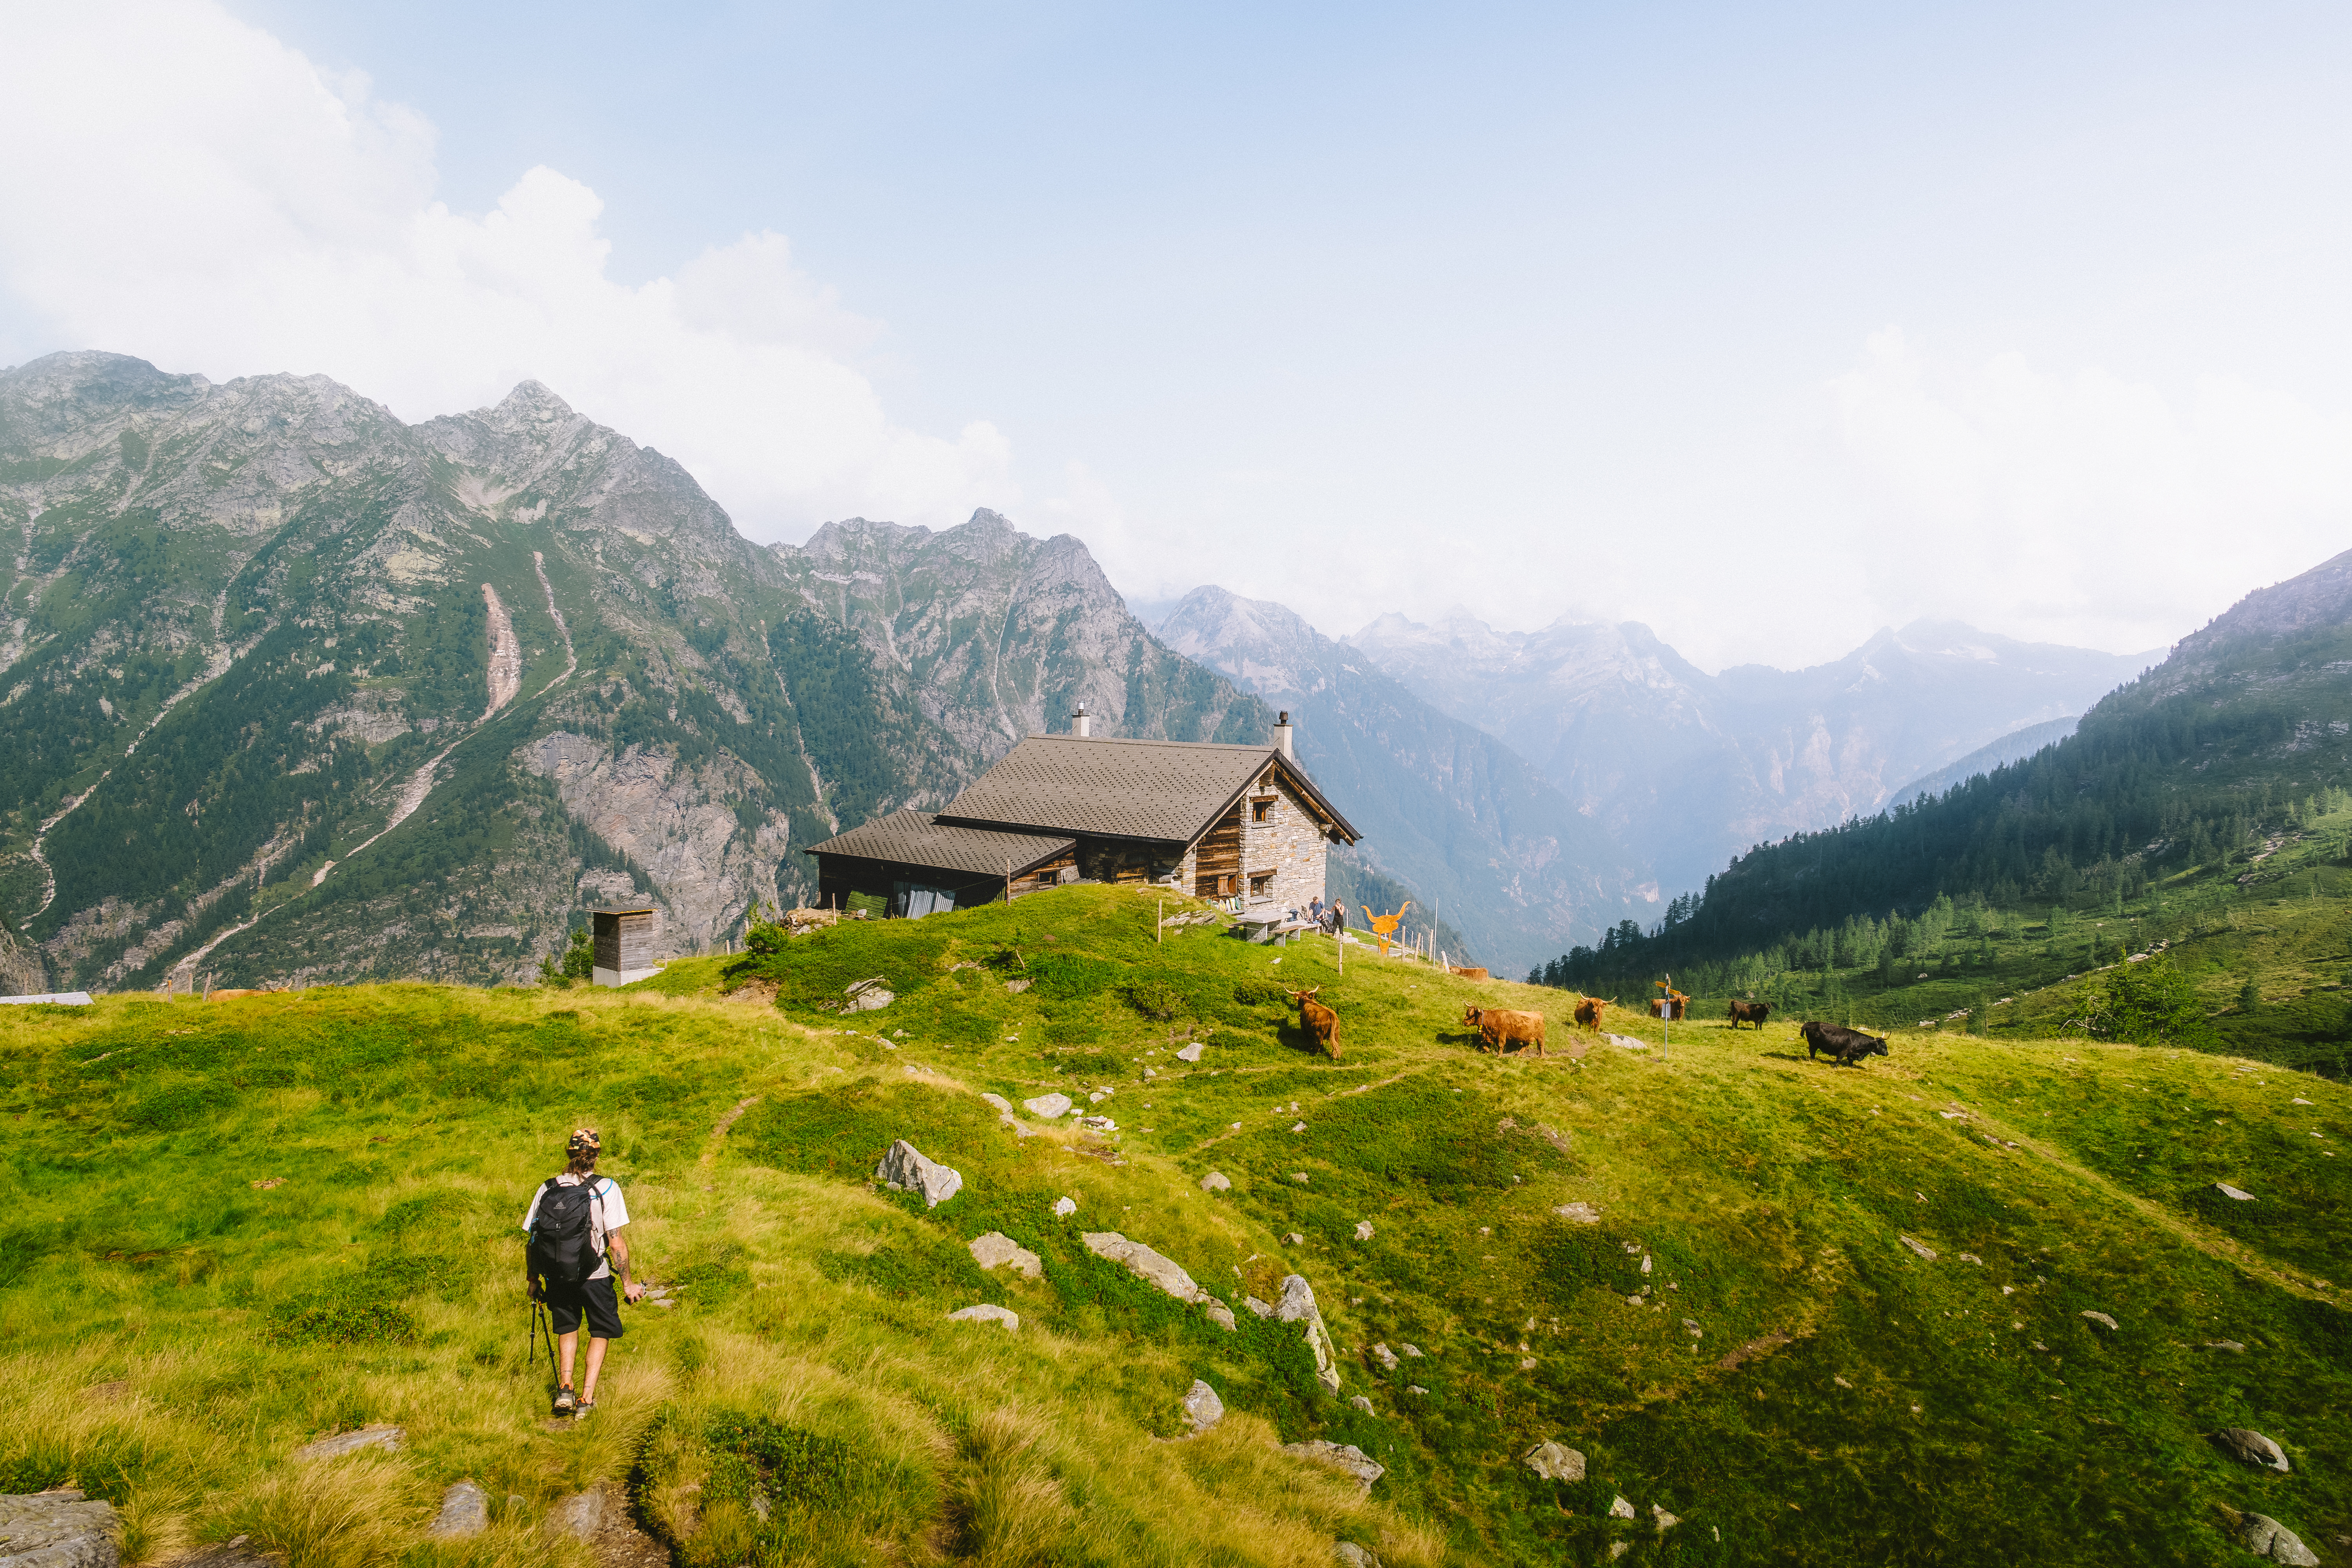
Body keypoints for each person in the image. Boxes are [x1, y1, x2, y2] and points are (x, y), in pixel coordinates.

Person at [522, 1128, 645, 1418]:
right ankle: (586, 1399)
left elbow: (533, 1239)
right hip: (596, 1275)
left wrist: (533, 1280)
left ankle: (565, 1387)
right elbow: (615, 1242)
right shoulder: (606, 1188)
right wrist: (628, 1284)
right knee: (600, 1331)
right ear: (597, 1155)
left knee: (567, 1327)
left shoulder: (548, 1188)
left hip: (556, 1275)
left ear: (569, 1153)